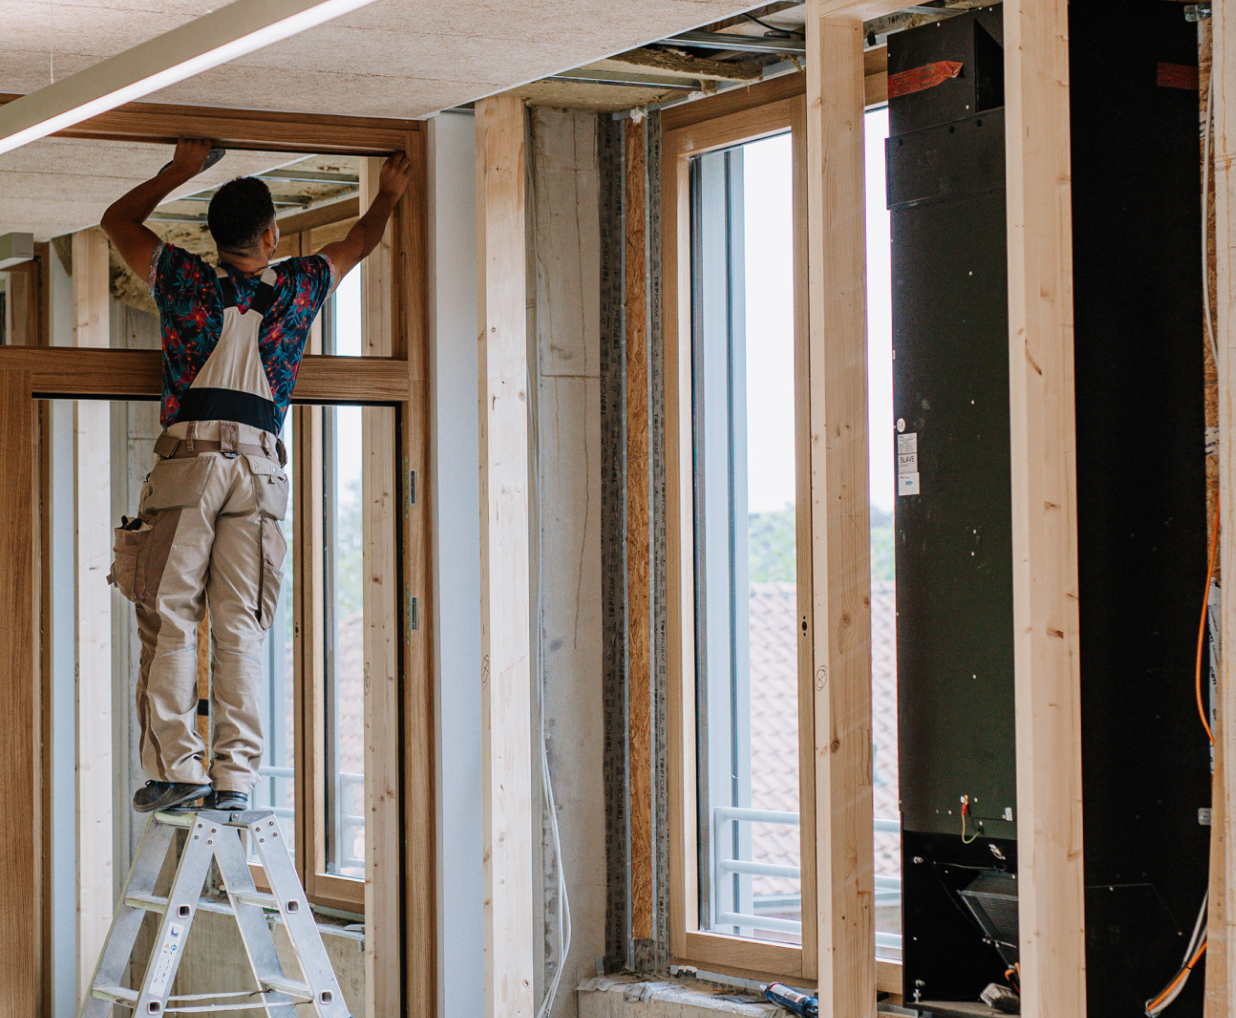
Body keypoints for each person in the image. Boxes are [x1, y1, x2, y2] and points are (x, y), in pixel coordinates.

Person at [102, 137, 410, 813]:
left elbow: (117, 222)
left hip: (190, 466)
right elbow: (359, 241)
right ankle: (235, 779)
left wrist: (177, 171)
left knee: (174, 616)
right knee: (241, 624)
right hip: (261, 472)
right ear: (271, 236)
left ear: (215, 238)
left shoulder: (183, 281)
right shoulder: (298, 285)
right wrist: (386, 194)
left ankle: (180, 771)